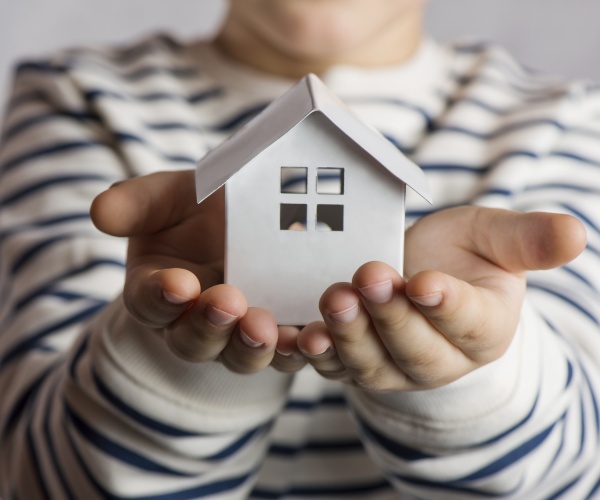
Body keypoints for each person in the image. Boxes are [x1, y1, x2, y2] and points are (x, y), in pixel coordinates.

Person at [1, 0, 600, 498]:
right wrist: (172, 363)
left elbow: (577, 470)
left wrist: (471, 375)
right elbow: (36, 477)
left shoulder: (566, 122)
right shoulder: (76, 98)